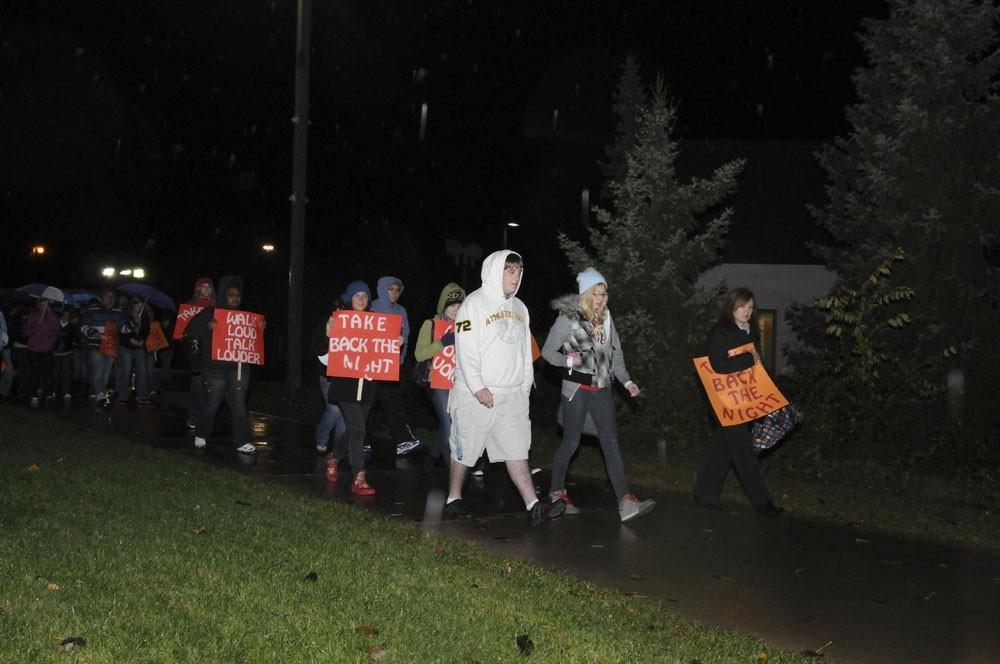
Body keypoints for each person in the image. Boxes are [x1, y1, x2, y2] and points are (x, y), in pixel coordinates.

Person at [443, 250, 565, 525]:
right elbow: (465, 350)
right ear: (496, 272)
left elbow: (524, 351)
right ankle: (453, 499)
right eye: (509, 271)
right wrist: (477, 386)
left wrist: (524, 386)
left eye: (519, 271)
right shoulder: (472, 305)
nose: (515, 277)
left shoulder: (520, 308)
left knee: (517, 450)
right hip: (475, 394)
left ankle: (533, 505)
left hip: (512, 396)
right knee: (465, 450)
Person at [541, 268, 656, 522]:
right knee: (571, 442)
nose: (600, 298)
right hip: (577, 390)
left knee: (611, 442)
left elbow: (616, 353)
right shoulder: (567, 319)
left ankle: (625, 501)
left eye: (604, 293)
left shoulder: (605, 318)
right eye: (596, 293)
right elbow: (547, 353)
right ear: (585, 294)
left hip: (603, 389)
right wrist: (572, 359)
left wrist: (627, 381)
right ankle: (556, 492)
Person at [692, 287, 783, 518]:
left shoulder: (751, 331)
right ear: (731, 307)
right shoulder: (720, 332)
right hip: (727, 403)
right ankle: (763, 503)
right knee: (744, 454)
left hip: (746, 400)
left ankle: (704, 493)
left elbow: (756, 366)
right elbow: (718, 365)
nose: (746, 311)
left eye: (750, 307)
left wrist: (766, 385)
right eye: (742, 306)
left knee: (722, 452)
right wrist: (748, 359)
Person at [313, 280, 378, 495]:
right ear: (349, 298)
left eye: (365, 296)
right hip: (345, 385)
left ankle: (334, 457)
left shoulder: (376, 323)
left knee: (353, 429)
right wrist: (328, 336)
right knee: (359, 429)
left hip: (367, 385)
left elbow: (382, 356)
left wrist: (393, 343)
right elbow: (323, 358)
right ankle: (359, 477)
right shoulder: (337, 319)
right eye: (357, 295)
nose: (361, 299)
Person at [185, 276, 257, 455]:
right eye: (231, 295)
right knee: (213, 402)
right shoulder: (210, 312)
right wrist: (207, 327)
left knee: (239, 404)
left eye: (238, 296)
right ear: (224, 296)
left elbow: (253, 341)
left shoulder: (245, 318)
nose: (235, 299)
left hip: (239, 367)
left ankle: (242, 441)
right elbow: (190, 331)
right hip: (214, 368)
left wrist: (259, 328)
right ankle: (202, 433)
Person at [413, 282, 465, 475]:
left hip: (458, 382)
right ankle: (454, 474)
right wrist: (442, 343)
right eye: (452, 305)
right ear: (444, 306)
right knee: (450, 425)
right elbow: (419, 354)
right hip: (437, 382)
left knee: (446, 425)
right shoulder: (431, 324)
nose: (456, 310)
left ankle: (430, 459)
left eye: (460, 305)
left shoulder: (465, 327)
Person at [368, 275, 423, 456]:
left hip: (391, 365)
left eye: (397, 289)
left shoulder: (401, 311)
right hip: (369, 366)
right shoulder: (371, 308)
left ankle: (403, 441)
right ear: (382, 289)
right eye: (390, 289)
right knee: (369, 404)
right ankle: (361, 441)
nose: (394, 293)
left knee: (393, 403)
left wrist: (400, 359)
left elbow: (405, 338)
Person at [311, 298, 347, 457]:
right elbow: (317, 347)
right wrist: (328, 335)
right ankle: (321, 439)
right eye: (337, 309)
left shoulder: (354, 327)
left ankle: (338, 452)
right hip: (328, 377)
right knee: (334, 410)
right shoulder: (325, 324)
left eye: (343, 309)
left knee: (344, 415)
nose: (340, 312)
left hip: (347, 377)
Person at [79, 289, 121, 405]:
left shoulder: (118, 311)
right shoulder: (92, 310)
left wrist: (134, 324)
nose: (110, 299)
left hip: (110, 346)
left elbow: (123, 328)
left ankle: (100, 392)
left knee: (106, 372)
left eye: (112, 297)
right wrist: (95, 333)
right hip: (96, 344)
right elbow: (83, 325)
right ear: (102, 298)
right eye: (107, 296)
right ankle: (99, 394)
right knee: (99, 370)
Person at [183, 278, 215, 428]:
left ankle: (207, 416)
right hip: (197, 350)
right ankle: (194, 415)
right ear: (198, 289)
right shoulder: (190, 305)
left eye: (209, 287)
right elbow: (185, 330)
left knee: (213, 385)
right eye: (203, 287)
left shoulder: (218, 305)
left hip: (214, 350)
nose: (207, 289)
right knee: (197, 383)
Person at [24, 297, 60, 408]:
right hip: (34, 349)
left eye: (46, 305)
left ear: (49, 306)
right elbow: (26, 332)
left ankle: (47, 393)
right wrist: (36, 326)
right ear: (38, 305)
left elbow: (55, 334)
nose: (44, 307)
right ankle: (34, 394)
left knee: (48, 373)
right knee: (35, 372)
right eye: (42, 305)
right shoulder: (33, 316)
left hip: (47, 349)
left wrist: (44, 327)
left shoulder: (53, 318)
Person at [117, 298, 151, 405]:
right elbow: (121, 330)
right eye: (137, 306)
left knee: (142, 370)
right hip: (126, 346)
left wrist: (142, 340)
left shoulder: (144, 316)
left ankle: (142, 396)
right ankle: (123, 396)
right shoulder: (125, 314)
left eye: (141, 306)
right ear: (132, 306)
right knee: (126, 371)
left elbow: (146, 330)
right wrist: (131, 339)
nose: (139, 308)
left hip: (139, 347)